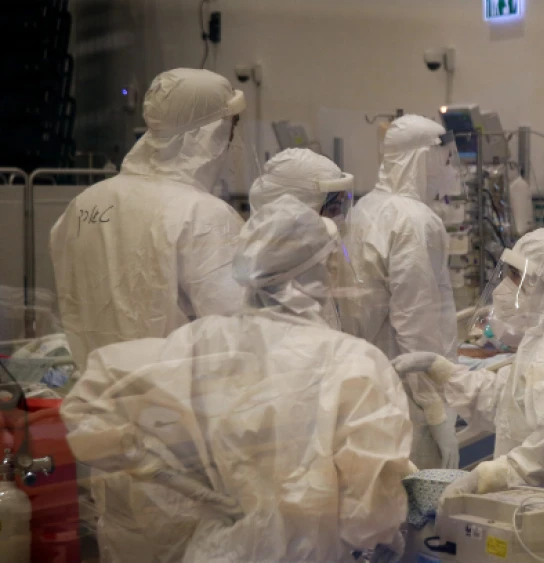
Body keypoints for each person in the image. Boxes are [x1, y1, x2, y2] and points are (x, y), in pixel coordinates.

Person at [61, 195, 413, 563]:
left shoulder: (201, 340)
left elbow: (88, 403)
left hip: (217, 550)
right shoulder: (355, 362)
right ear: (310, 272)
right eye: (328, 263)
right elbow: (371, 519)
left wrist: (176, 479)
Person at [392, 228, 544, 520]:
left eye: (516, 278)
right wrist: (443, 371)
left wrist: (493, 475)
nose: (504, 289)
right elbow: (509, 401)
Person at [50, 68, 247, 370]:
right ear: (211, 133)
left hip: (97, 397)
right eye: (230, 128)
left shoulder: (84, 203)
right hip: (173, 405)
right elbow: (238, 331)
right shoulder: (203, 216)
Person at [341, 114, 459, 469]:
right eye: (445, 159)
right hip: (408, 398)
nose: (449, 170)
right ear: (421, 159)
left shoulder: (364, 207)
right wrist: (435, 405)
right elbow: (415, 321)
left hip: (368, 384)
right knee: (418, 509)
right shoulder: (414, 220)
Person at [247, 147, 359, 329]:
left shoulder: (312, 270)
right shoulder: (264, 283)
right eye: (333, 207)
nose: (339, 218)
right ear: (299, 208)